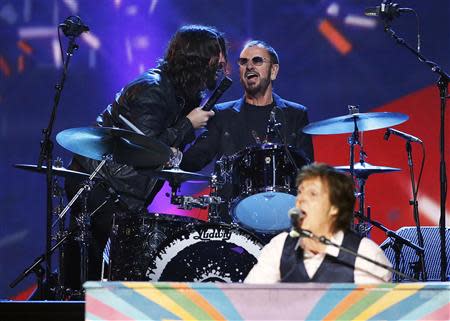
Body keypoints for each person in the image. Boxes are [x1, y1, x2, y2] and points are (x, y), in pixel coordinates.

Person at [63, 25, 227, 289]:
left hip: (122, 191)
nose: (220, 62)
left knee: (108, 269)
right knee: (95, 272)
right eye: (215, 55)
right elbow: (141, 150)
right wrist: (187, 125)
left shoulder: (180, 92)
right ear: (196, 58)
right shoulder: (153, 89)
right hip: (100, 186)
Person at [180, 40, 314, 226]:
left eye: (257, 61)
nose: (249, 66)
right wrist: (185, 127)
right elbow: (192, 162)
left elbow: (308, 173)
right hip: (232, 224)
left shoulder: (296, 114)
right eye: (243, 62)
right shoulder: (222, 114)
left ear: (273, 71)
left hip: (283, 221)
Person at [244, 162, 392, 283]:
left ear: (334, 207)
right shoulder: (280, 247)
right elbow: (248, 302)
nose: (301, 200)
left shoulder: (366, 255)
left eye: (312, 194)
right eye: (300, 192)